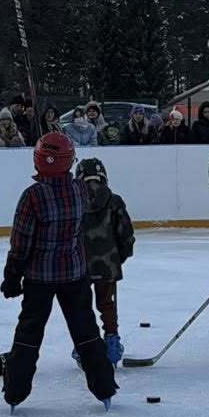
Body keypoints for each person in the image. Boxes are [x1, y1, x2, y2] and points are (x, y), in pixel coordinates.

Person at [0, 133, 116, 410]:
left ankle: (15, 391)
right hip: (74, 275)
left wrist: (11, 276)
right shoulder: (79, 190)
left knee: (29, 333)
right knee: (86, 331)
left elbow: (20, 243)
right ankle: (104, 387)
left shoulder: (32, 197)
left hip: (39, 278)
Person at [76, 156, 136, 365]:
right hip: (108, 263)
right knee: (107, 305)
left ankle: (85, 347)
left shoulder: (74, 200)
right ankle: (111, 344)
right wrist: (120, 257)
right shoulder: (114, 200)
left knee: (81, 307)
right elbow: (126, 234)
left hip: (79, 266)